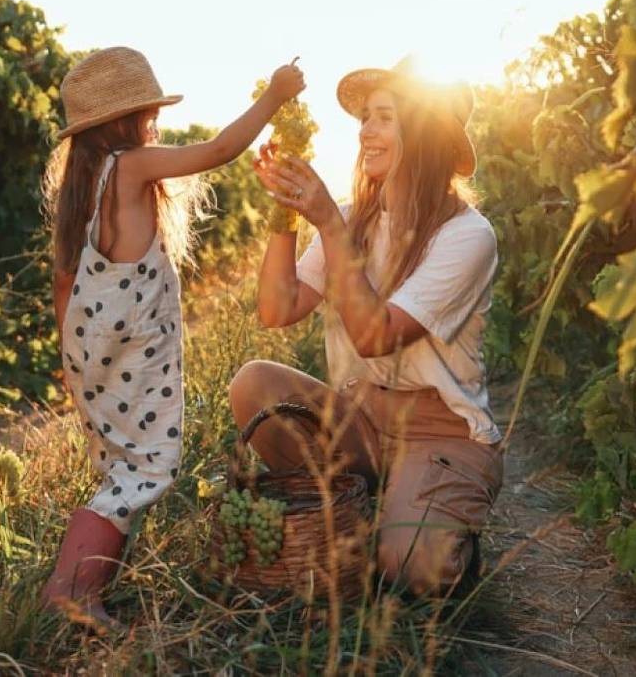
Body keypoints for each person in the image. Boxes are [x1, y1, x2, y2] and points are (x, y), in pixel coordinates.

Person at [40, 46, 305, 623]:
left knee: (123, 467)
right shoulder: (130, 165)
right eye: (149, 114)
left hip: (92, 352)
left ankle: (82, 586)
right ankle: (73, 590)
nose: (154, 124)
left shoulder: (84, 184)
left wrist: (74, 368)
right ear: (125, 120)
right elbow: (219, 150)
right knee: (147, 467)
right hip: (134, 348)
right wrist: (275, 95)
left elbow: (65, 281)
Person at [230, 56, 502, 595]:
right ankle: (358, 513)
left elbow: (376, 336)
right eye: (365, 119)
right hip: (362, 418)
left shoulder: (467, 236)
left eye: (384, 118)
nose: (365, 132)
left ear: (424, 135)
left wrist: (330, 225)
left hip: (440, 431)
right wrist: (286, 211)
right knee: (254, 385)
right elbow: (278, 309)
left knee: (412, 568)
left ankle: (439, 536)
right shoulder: (355, 216)